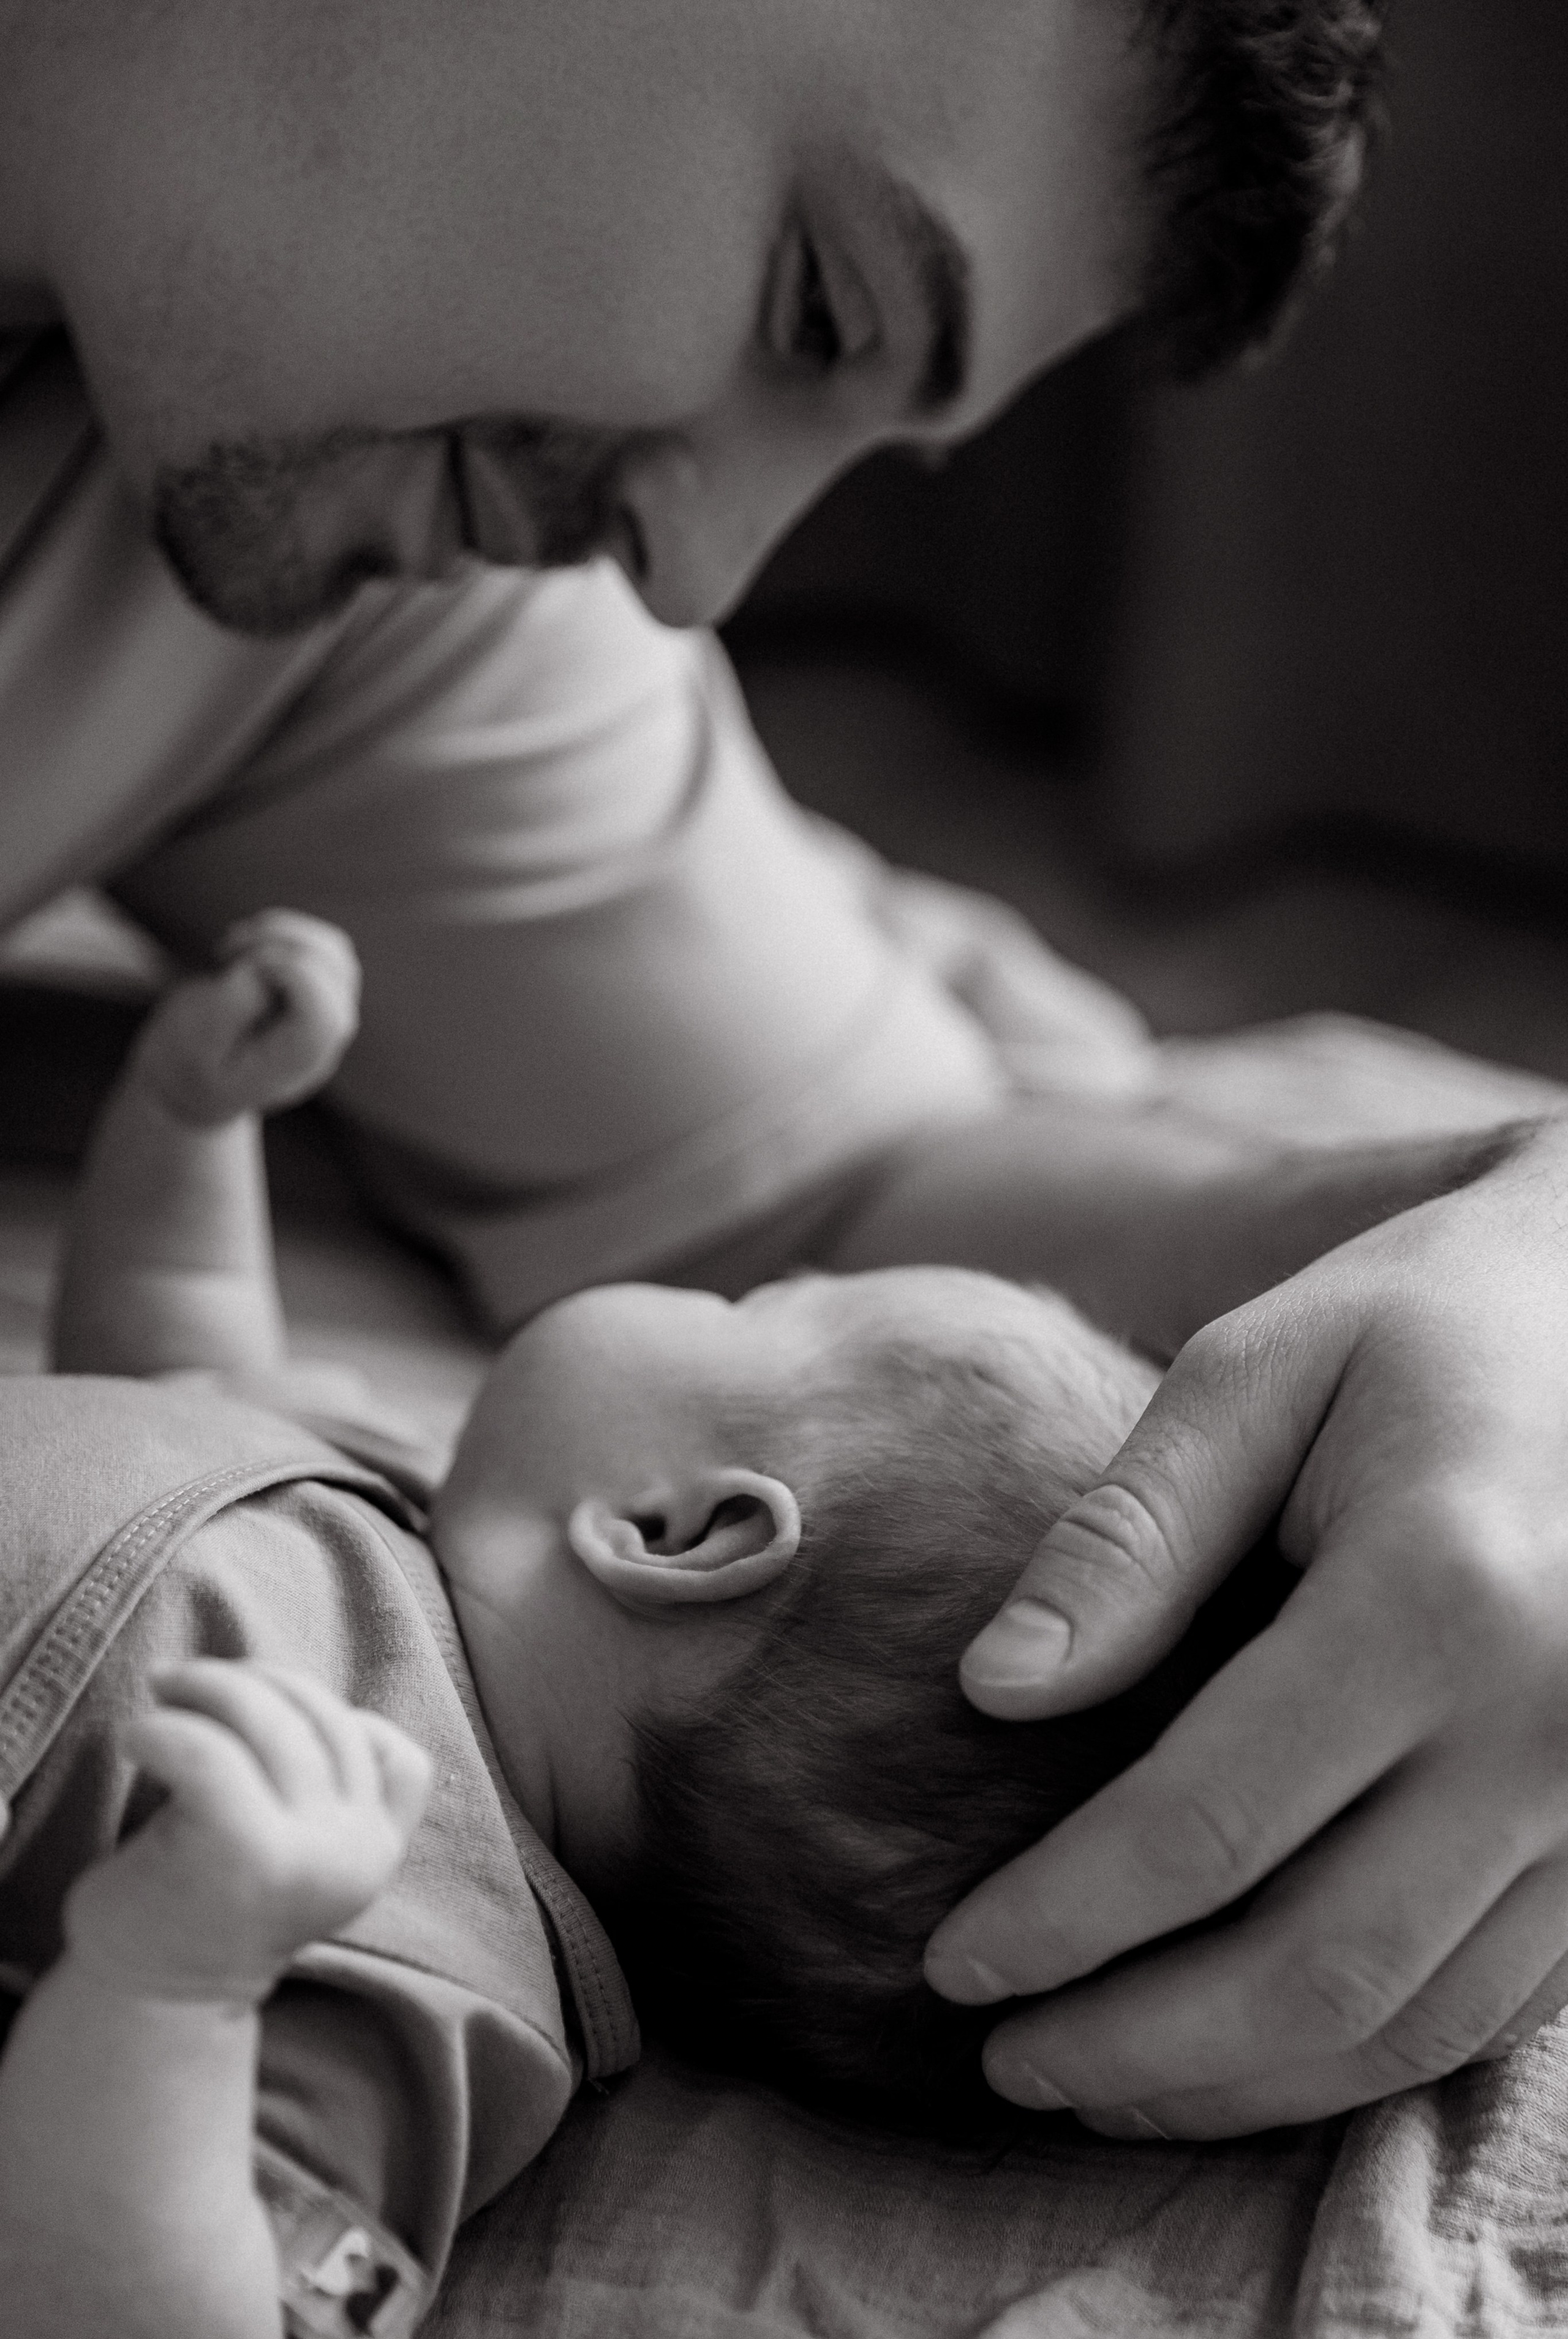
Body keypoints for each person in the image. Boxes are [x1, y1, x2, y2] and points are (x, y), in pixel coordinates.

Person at [7, 0, 1568, 2150]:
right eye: (817, 296)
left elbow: (852, 1183)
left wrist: (1525, 1232)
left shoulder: (382, 529)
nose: (703, 571)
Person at [0, 912, 1515, 2339]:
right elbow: (178, 1389)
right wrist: (192, 1130)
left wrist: (176, 1984)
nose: (730, 1287)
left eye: (770, 1305)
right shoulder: (382, 1500)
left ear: (677, 1533)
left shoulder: (397, 1927)